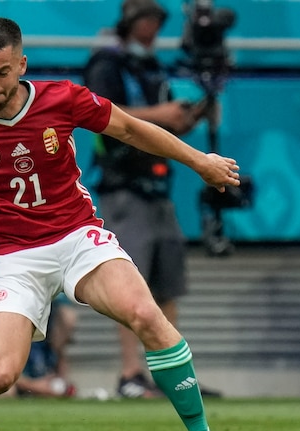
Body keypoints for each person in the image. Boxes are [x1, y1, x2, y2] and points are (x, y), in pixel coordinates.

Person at [0, 17, 244, 431]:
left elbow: (128, 128)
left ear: (21, 65)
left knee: (147, 315)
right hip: (12, 259)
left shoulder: (62, 98)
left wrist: (200, 161)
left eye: (0, 72)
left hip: (77, 237)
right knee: (1, 374)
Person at [81, 0, 222, 400]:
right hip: (122, 186)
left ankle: (174, 376)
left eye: (156, 20)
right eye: (144, 20)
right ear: (128, 23)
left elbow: (163, 122)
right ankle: (130, 376)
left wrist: (196, 113)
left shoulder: (152, 65)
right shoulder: (106, 62)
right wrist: (163, 113)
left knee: (166, 283)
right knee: (130, 284)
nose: (151, 27)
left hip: (158, 186)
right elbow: (100, 113)